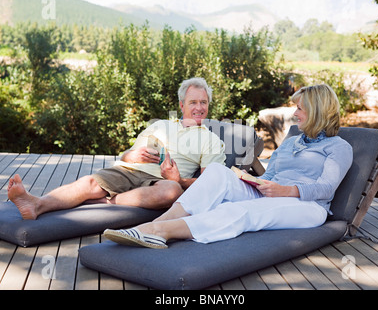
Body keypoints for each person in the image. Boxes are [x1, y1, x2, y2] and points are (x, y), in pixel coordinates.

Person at [104, 84, 354, 249]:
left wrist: (285, 190)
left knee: (242, 211)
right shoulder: (290, 143)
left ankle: (161, 231)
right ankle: (150, 227)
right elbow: (274, 176)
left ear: (317, 110)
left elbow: (326, 188)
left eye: (300, 108)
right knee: (217, 172)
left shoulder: (338, 147)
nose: (295, 113)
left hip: (307, 207)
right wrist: (252, 180)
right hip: (275, 193)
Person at [7, 78, 226, 220]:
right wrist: (132, 155)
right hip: (130, 170)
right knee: (90, 182)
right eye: (193, 102)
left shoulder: (211, 140)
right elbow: (125, 156)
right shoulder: (160, 125)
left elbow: (211, 183)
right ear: (181, 105)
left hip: (160, 182)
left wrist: (179, 180)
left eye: (203, 102)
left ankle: (107, 201)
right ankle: (36, 203)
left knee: (171, 192)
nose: (199, 108)